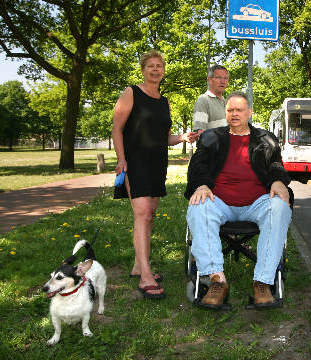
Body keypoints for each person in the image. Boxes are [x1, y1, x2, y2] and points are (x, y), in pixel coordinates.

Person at [185, 91, 292, 309]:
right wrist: (202, 184)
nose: (234, 114)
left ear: (249, 112)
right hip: (219, 201)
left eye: (239, 110)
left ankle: (262, 282)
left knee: (279, 207)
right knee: (199, 206)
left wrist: (279, 181)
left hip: (257, 202)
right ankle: (217, 281)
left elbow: (276, 166)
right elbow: (198, 165)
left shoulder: (265, 140)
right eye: (230, 110)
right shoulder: (212, 138)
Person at [112, 49, 196, 300]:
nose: (155, 69)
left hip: (158, 163)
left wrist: (181, 137)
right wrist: (121, 159)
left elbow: (163, 138)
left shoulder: (164, 101)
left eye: (159, 65)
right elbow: (117, 129)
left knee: (150, 215)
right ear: (143, 69)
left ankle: (139, 265)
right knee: (143, 213)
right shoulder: (131, 93)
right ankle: (145, 276)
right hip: (135, 162)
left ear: (164, 70)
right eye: (150, 65)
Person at [192, 65, 229, 137]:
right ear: (209, 80)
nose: (223, 81)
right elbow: (200, 133)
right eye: (218, 77)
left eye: (226, 78)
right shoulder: (203, 100)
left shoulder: (227, 102)